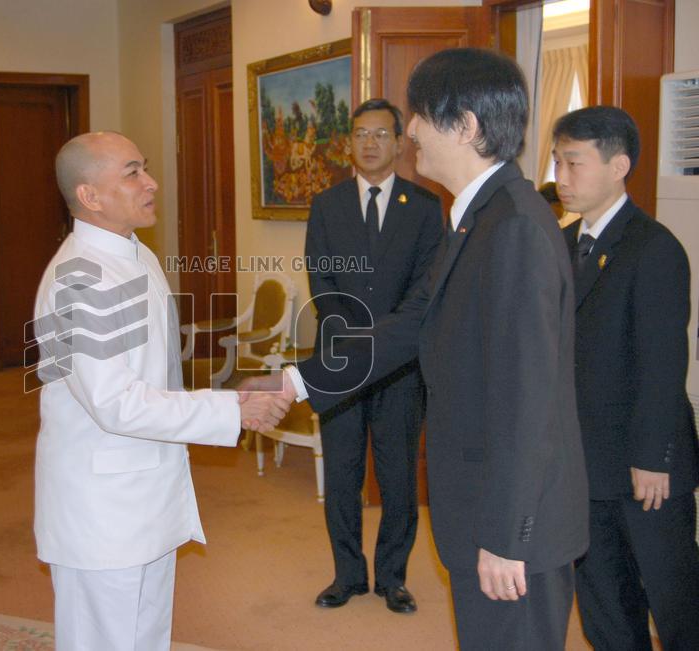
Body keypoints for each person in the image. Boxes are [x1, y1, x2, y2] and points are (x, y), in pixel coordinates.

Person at [245, 48, 589, 649]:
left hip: (511, 529)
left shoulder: (512, 228)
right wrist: (294, 383)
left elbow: (530, 399)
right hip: (482, 508)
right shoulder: (475, 218)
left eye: (420, 118)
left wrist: (508, 536)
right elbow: (406, 328)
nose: (411, 135)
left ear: (467, 126)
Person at [32, 131, 288, 651]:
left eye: (144, 168)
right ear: (90, 196)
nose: (150, 183)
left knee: (146, 636)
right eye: (131, 173)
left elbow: (156, 379)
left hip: (146, 489)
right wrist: (231, 409)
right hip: (104, 504)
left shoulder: (135, 255)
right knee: (104, 641)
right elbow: (116, 403)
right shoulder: (79, 278)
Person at [552, 106, 699, 650]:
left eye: (573, 162)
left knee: (675, 600)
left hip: (645, 471)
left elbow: (663, 362)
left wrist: (653, 457)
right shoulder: (563, 246)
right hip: (584, 462)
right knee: (605, 605)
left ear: (619, 165)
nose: (560, 177)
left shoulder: (653, 247)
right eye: (557, 162)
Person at [305, 98, 442, 612]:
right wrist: (356, 347)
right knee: (341, 474)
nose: (369, 143)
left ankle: (392, 577)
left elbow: (424, 291)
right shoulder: (327, 204)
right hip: (340, 361)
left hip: (402, 367)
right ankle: (347, 575)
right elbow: (323, 284)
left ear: (400, 144)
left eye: (381, 135)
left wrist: (384, 345)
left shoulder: (426, 208)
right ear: (349, 142)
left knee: (398, 475)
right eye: (360, 134)